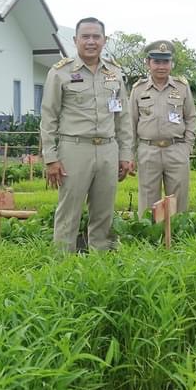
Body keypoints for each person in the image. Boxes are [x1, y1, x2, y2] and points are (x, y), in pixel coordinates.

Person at [39, 17, 133, 252]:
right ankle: (63, 265)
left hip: (108, 149)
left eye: (96, 37)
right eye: (85, 37)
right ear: (75, 40)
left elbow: (122, 118)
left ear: (104, 40)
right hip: (74, 149)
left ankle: (100, 264)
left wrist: (125, 154)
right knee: (69, 212)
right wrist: (50, 157)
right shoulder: (60, 72)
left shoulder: (115, 74)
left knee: (104, 212)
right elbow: (48, 116)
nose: (91, 42)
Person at [129, 40, 196, 214]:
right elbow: (130, 123)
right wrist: (130, 155)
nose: (161, 66)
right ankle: (150, 238)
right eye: (156, 61)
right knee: (147, 200)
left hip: (176, 149)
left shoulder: (182, 87)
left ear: (171, 63)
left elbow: (191, 118)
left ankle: (177, 237)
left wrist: (187, 147)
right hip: (148, 150)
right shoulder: (138, 89)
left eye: (165, 61)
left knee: (178, 201)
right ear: (148, 63)